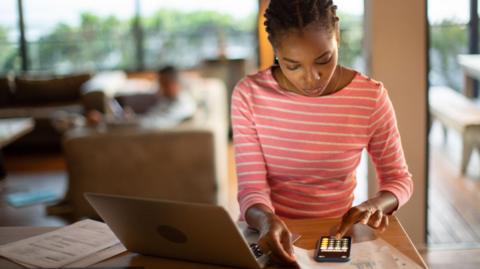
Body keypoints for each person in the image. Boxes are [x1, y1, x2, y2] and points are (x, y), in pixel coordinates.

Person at [231, 0, 413, 265]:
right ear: (276, 51)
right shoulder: (249, 95)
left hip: (333, 234)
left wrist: (374, 205)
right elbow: (251, 189)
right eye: (292, 65)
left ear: (337, 35)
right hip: (267, 232)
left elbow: (399, 179)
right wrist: (266, 220)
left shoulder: (370, 97)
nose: (312, 78)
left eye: (324, 59)